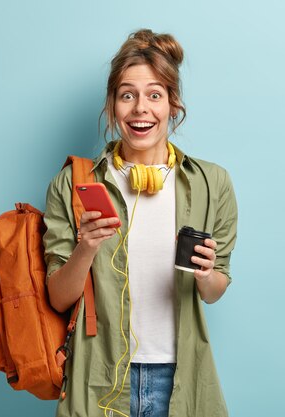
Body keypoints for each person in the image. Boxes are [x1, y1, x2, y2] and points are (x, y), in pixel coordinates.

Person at [43, 29, 237, 417]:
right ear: (112, 104)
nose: (140, 109)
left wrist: (203, 273)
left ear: (172, 103)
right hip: (98, 374)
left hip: (180, 376)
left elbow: (214, 290)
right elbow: (58, 298)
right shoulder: (75, 183)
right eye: (127, 94)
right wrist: (87, 247)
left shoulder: (210, 183)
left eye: (154, 95)